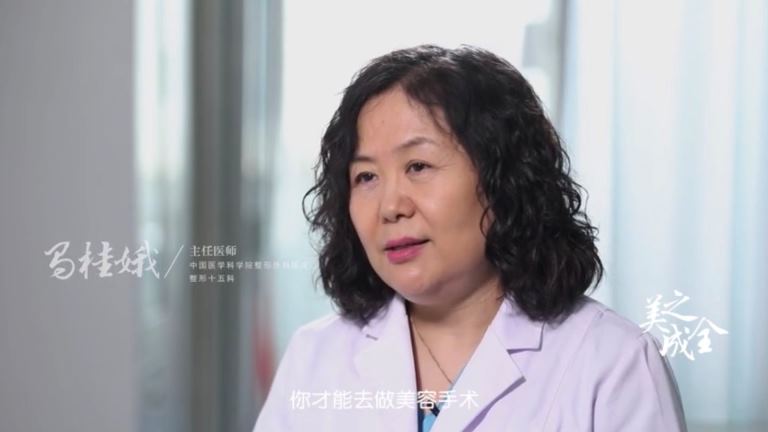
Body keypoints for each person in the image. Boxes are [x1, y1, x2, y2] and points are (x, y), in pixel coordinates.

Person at [253, 44, 687, 431]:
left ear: (504, 179)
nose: (390, 206)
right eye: (366, 176)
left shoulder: (613, 362)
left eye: (418, 166)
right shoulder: (315, 355)